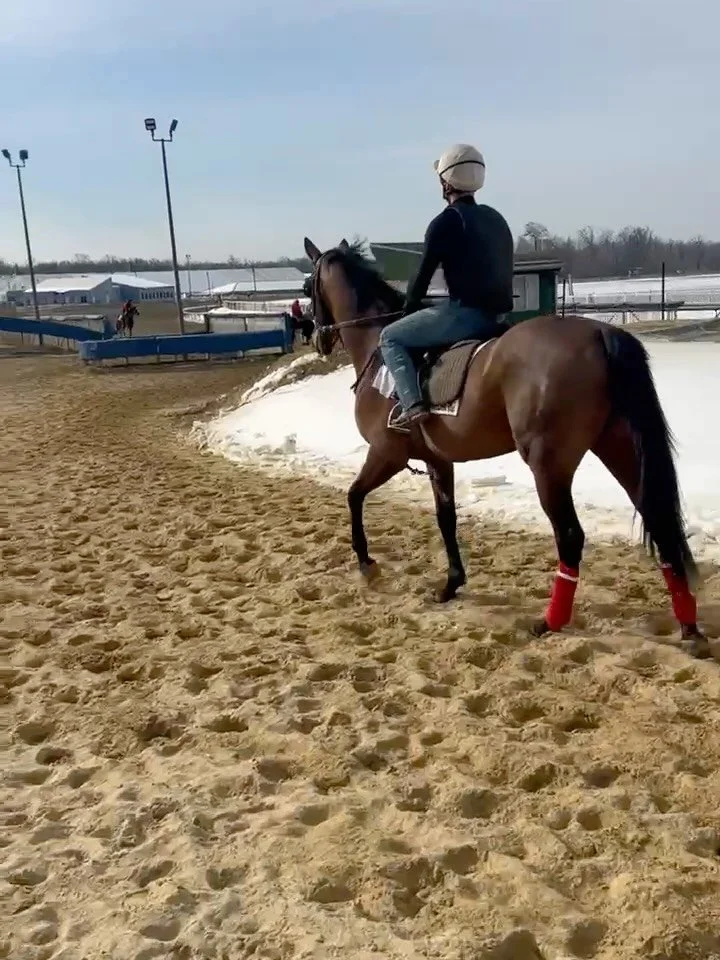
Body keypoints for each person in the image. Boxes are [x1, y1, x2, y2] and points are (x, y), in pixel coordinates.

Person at [378, 143, 514, 427]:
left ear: (445, 181)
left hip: (465, 316)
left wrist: (409, 310)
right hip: (499, 317)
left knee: (390, 338)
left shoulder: (445, 222)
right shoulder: (496, 218)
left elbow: (422, 276)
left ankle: (412, 406)